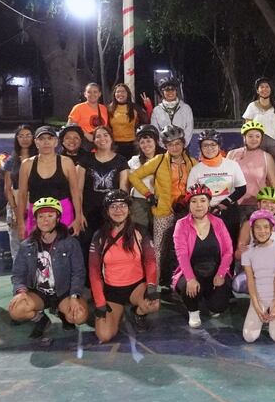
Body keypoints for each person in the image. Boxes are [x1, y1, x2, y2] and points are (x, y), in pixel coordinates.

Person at [8, 197, 89, 338]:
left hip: (63, 293)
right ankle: (41, 319)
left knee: (79, 316)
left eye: (50, 216)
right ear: (36, 219)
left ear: (58, 219)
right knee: (17, 311)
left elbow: (79, 272)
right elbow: (18, 274)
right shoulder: (27, 245)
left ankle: (62, 312)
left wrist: (74, 296)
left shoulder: (70, 243)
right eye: (41, 216)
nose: (45, 220)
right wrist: (21, 291)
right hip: (39, 293)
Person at [129, 124, 197, 287]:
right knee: (160, 249)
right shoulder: (158, 161)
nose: (174, 147)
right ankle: (156, 283)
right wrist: (148, 194)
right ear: (165, 146)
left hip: (186, 211)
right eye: (170, 144)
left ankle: (186, 280)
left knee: (187, 247)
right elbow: (134, 177)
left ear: (183, 143)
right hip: (163, 210)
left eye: (178, 143)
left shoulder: (192, 163)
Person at [88, 190, 160, 340]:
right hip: (112, 290)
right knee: (104, 336)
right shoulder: (99, 235)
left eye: (122, 205)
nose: (118, 210)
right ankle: (117, 314)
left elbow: (150, 260)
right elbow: (94, 271)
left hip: (136, 286)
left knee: (153, 304)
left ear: (129, 209)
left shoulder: (140, 231)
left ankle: (138, 314)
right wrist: (100, 302)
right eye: (113, 207)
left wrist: (152, 286)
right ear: (107, 211)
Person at [172, 184, 234, 328]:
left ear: (208, 203)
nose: (198, 205)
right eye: (194, 201)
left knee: (218, 306)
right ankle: (193, 310)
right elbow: (181, 255)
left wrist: (220, 274)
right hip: (192, 270)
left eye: (202, 200)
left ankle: (209, 299)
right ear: (189, 205)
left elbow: (228, 251)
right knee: (189, 288)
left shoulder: (218, 223)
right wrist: (190, 278)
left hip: (215, 271)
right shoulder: (181, 224)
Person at [16, 125, 83, 240]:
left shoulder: (67, 162)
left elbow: (75, 192)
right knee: (38, 252)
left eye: (50, 138)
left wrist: (78, 218)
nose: (46, 142)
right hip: (36, 215)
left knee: (63, 251)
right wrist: (21, 222)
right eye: (42, 139)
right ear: (36, 142)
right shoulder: (27, 164)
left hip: (64, 213)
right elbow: (22, 195)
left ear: (56, 142)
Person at [79, 126, 129, 273]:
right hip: (89, 214)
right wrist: (79, 213)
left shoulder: (120, 160)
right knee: (88, 247)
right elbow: (78, 190)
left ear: (111, 138)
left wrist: (122, 214)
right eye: (98, 136)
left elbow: (123, 190)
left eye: (105, 135)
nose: (102, 139)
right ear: (93, 141)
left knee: (111, 247)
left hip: (112, 214)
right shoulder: (86, 160)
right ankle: (89, 283)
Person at [186, 129, 247, 240]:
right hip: (205, 213)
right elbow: (191, 194)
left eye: (213, 144)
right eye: (205, 145)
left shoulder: (232, 165)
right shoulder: (196, 169)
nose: (209, 148)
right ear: (201, 148)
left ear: (219, 146)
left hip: (229, 211)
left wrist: (224, 203)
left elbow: (241, 189)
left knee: (230, 246)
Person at [241, 210, 275, 343]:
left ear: (272, 229)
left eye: (266, 227)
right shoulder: (247, 252)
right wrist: (256, 306)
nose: (262, 231)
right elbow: (250, 281)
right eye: (257, 227)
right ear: (252, 230)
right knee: (249, 337)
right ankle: (262, 313)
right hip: (259, 296)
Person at [227, 120, 275, 222]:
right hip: (234, 204)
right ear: (244, 138)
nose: (254, 139)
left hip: (257, 205)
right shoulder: (232, 154)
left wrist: (271, 204)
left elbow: (274, 184)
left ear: (261, 139)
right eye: (250, 136)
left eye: (257, 136)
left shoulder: (266, 157)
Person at [3, 124, 35, 261]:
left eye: (28, 135)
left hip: (35, 203)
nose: (25, 139)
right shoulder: (11, 160)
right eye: (21, 136)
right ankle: (19, 278)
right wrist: (15, 209)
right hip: (15, 203)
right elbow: (7, 187)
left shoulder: (40, 158)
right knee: (17, 243)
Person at [242, 77, 275, 170]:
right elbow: (247, 126)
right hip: (257, 141)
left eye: (267, 87)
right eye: (261, 87)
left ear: (271, 89)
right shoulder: (252, 106)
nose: (264, 89)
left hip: (274, 141)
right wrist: (246, 141)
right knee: (258, 165)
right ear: (257, 91)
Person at [126, 124, 160, 231]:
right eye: (142, 142)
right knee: (140, 232)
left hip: (160, 202)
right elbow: (127, 182)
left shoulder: (164, 159)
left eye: (149, 141)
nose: (146, 145)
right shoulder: (133, 161)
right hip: (138, 201)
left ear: (156, 142)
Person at [108, 82, 151, 159]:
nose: (120, 94)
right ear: (114, 94)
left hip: (132, 145)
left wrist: (148, 107)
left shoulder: (134, 107)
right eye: (118, 92)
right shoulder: (110, 108)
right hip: (115, 145)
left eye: (123, 91)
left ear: (128, 94)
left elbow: (147, 121)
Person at [150, 76, 195, 145]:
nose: (170, 92)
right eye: (167, 89)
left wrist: (182, 144)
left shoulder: (186, 108)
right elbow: (155, 129)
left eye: (173, 89)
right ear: (162, 92)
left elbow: (189, 128)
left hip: (182, 147)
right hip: (164, 147)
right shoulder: (157, 110)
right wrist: (163, 145)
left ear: (176, 91)